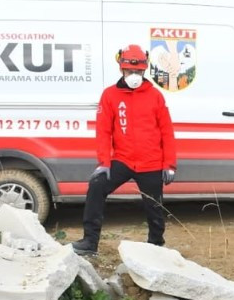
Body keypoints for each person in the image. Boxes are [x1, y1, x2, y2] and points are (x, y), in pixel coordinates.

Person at [72, 45, 177, 256]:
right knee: (96, 187)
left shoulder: (155, 96)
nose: (134, 76)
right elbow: (103, 131)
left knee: (154, 207)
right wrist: (104, 163)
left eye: (138, 72)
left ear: (144, 70)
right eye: (130, 71)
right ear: (122, 69)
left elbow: (167, 131)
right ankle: (90, 242)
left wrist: (169, 164)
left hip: (151, 162)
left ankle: (156, 247)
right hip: (122, 160)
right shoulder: (110, 95)